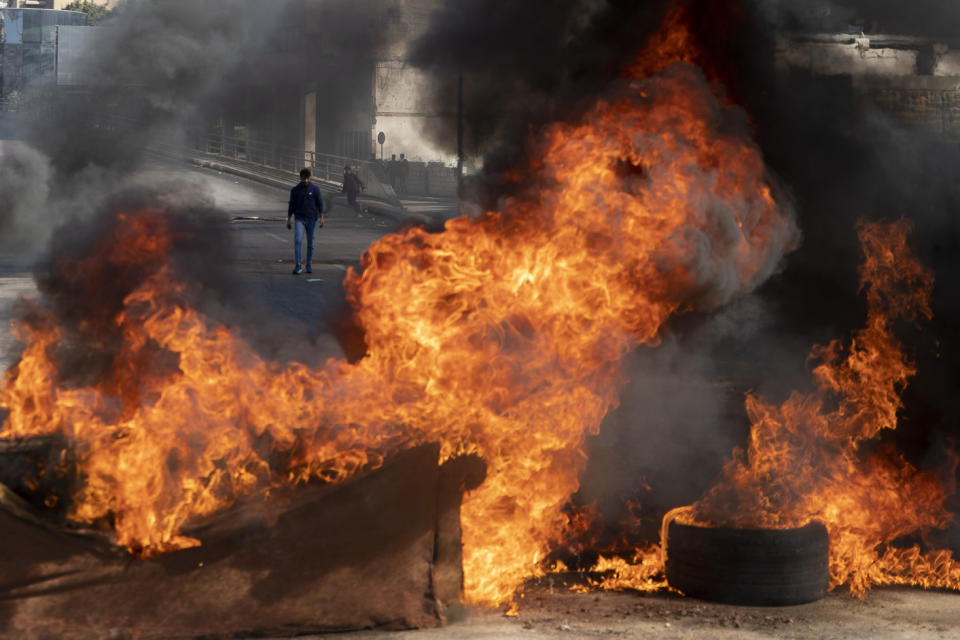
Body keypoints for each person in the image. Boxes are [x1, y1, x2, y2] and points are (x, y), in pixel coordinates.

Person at [287, 167, 324, 275]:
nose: (306, 181)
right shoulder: (295, 190)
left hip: (312, 219)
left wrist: (322, 217)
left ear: (309, 178)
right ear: (300, 178)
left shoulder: (315, 189)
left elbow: (320, 204)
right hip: (299, 219)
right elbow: (291, 205)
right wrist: (289, 219)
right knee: (298, 241)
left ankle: (309, 264)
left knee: (311, 244)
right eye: (304, 179)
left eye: (307, 179)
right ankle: (298, 265)